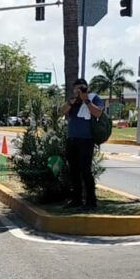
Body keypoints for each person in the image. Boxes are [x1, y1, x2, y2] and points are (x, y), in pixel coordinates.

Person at [60, 78, 104, 210]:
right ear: (73, 89)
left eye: (82, 88)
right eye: (77, 89)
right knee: (73, 171)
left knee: (86, 171)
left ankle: (91, 201)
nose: (79, 91)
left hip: (87, 140)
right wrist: (72, 102)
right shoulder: (73, 101)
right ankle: (76, 199)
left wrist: (86, 100)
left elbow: (98, 113)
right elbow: (62, 111)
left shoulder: (93, 98)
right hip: (72, 139)